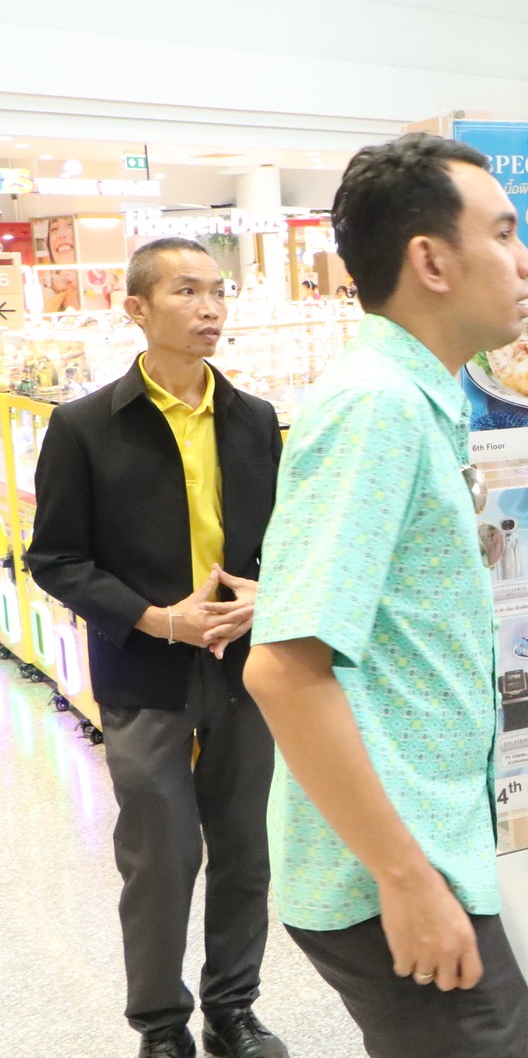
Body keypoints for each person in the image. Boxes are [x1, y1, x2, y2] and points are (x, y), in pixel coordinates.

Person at [241, 133, 528, 1058]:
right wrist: (404, 878)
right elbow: (283, 672)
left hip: (422, 838)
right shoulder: (378, 407)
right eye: (505, 234)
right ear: (431, 262)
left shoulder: (416, 401)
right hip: (386, 866)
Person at [25, 237, 284, 1058]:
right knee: (160, 855)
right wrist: (156, 619)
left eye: (218, 291)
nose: (210, 308)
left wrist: (267, 594)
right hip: (144, 672)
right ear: (136, 308)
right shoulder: (84, 427)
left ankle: (233, 1010)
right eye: (187, 291)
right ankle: (161, 1026)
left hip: (244, 669)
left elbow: (284, 540)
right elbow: (55, 558)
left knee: (244, 851)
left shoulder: (254, 419)